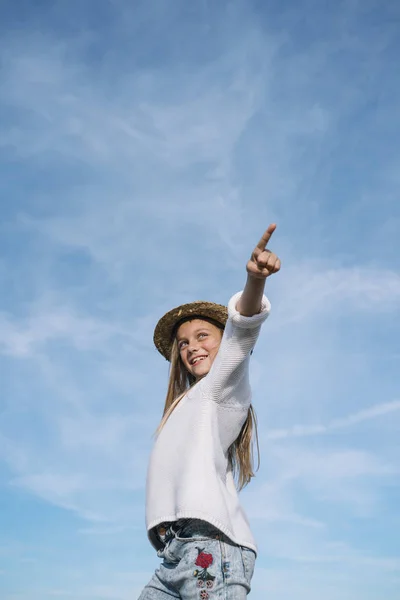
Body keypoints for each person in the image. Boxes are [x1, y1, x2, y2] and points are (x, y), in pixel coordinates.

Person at [139, 224, 281, 600]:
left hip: (210, 546)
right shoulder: (186, 404)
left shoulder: (222, 385)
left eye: (203, 336)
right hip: (174, 554)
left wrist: (254, 282)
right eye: (183, 343)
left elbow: (243, 331)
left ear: (223, 343)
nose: (191, 347)